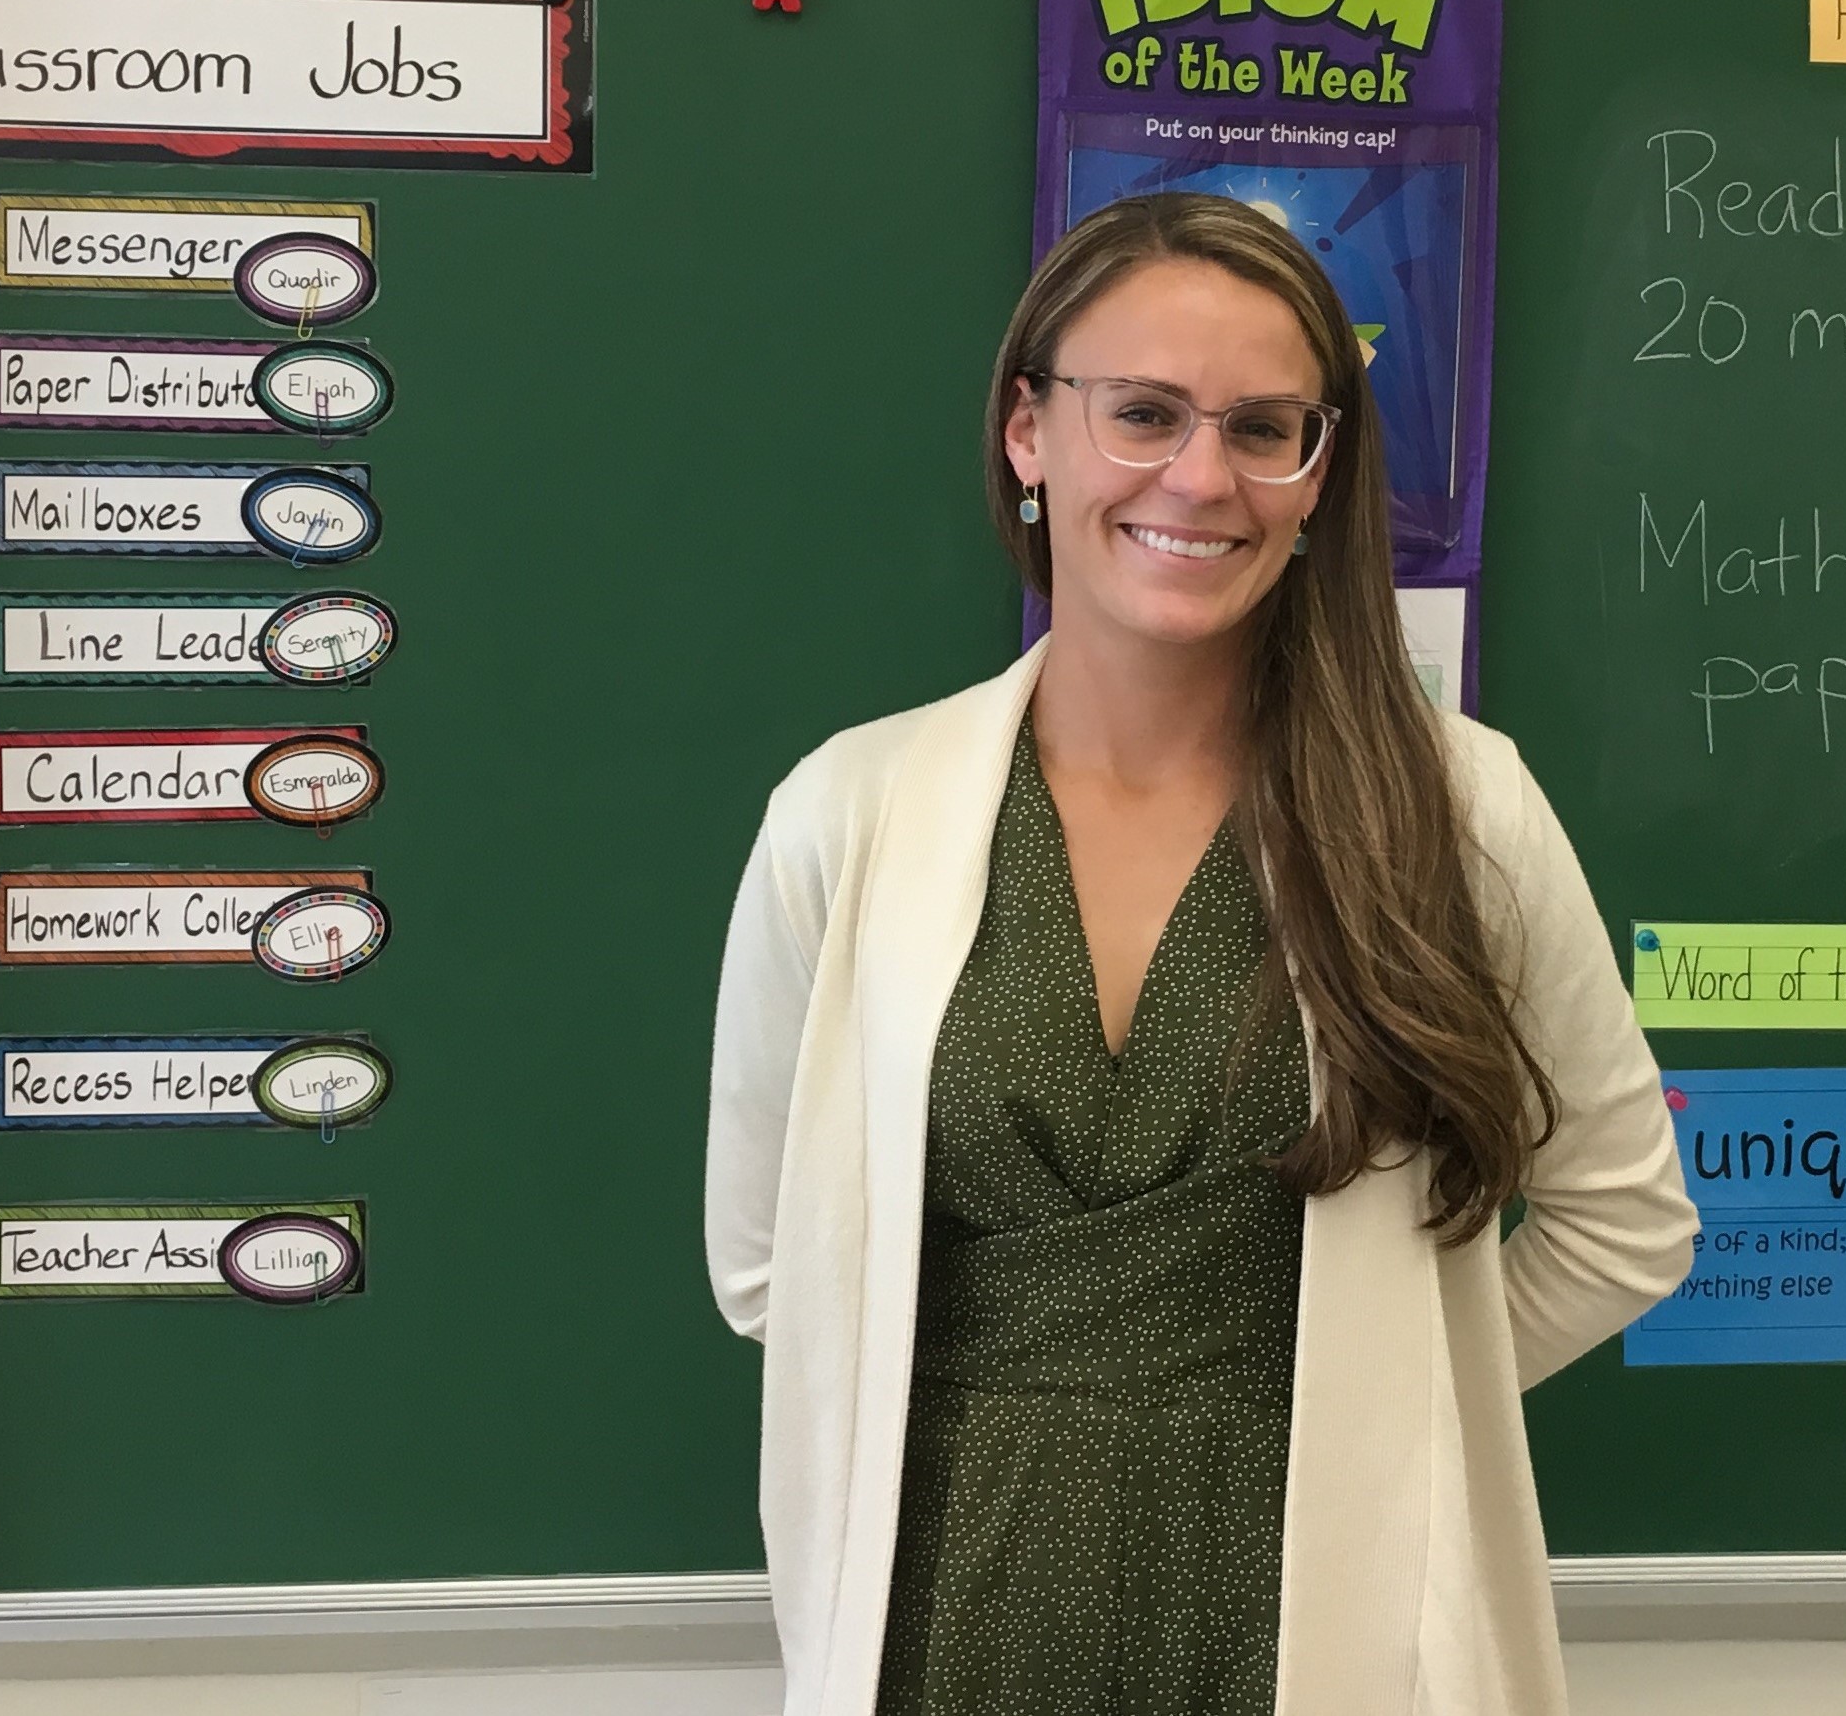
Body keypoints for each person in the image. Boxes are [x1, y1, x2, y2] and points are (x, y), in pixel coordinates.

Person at [706, 192, 1696, 1716]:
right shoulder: (852, 812)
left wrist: (1386, 1395)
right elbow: (772, 1267)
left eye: (1264, 428)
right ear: (1029, 433)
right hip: (941, 1627)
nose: (1200, 477)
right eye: (1146, 413)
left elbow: (1624, 1224)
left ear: (1320, 472)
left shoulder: (1457, 808)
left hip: (1325, 1626)